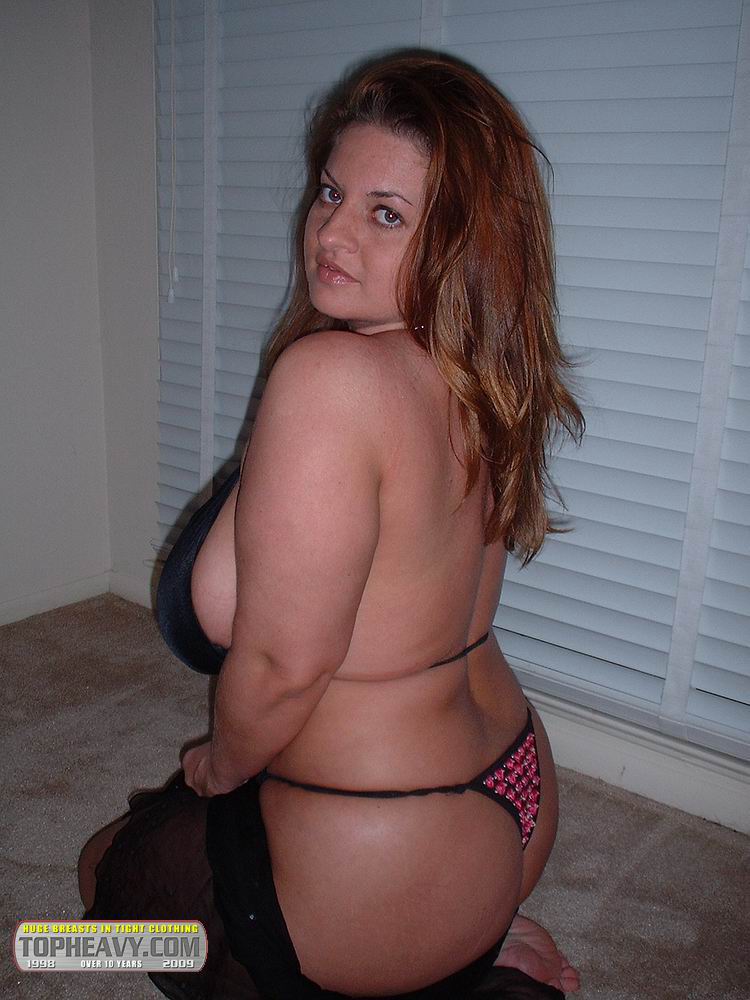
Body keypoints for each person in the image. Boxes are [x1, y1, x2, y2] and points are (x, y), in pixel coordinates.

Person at [79, 51, 585, 999]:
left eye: (386, 214)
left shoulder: (331, 381)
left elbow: (283, 665)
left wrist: (220, 764)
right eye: (330, 192)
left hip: (387, 828)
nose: (331, 231)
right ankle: (475, 940)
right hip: (512, 788)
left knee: (103, 875)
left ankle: (426, 957)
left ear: (463, 245)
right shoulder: (479, 375)